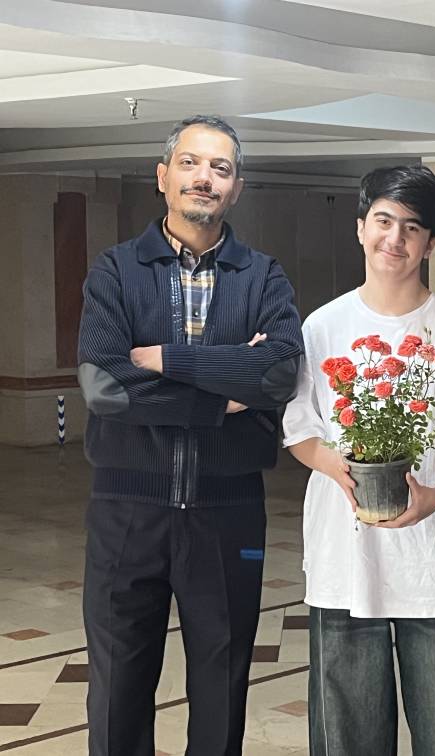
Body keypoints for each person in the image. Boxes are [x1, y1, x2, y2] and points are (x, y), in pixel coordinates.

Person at [78, 115, 304, 755]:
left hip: (229, 513)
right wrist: (224, 396)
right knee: (118, 687)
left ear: (236, 188)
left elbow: (279, 373)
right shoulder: (116, 271)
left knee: (222, 680)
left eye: (220, 168)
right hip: (127, 511)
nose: (205, 177)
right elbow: (105, 387)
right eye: (190, 163)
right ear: (163, 176)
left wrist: (164, 360)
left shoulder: (263, 277)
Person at [282, 165, 435, 756]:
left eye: (412, 227)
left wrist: (434, 496)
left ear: (431, 243)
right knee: (346, 736)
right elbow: (300, 432)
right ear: (360, 228)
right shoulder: (321, 327)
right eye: (383, 221)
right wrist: (340, 469)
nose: (394, 238)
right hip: (343, 560)